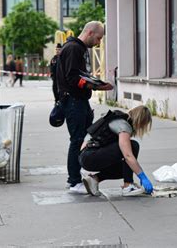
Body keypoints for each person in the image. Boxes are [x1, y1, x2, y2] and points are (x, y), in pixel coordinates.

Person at [56, 21, 114, 194]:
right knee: (77, 140)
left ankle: (74, 177)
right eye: (98, 38)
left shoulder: (76, 48)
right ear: (89, 32)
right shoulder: (74, 49)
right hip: (74, 101)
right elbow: (73, 78)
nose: (98, 43)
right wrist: (97, 87)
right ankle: (74, 181)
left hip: (76, 101)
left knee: (80, 139)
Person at [79, 105, 154, 196]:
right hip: (90, 156)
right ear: (140, 121)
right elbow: (128, 155)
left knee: (125, 168)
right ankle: (128, 186)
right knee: (133, 146)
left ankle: (94, 179)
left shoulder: (114, 118)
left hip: (85, 156)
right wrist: (143, 177)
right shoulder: (124, 126)